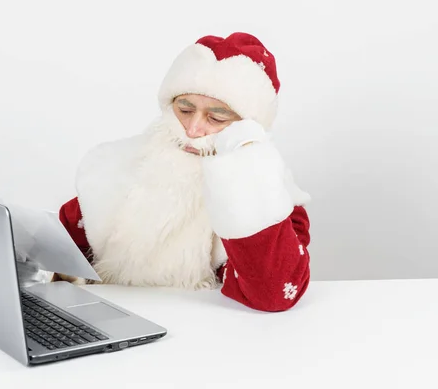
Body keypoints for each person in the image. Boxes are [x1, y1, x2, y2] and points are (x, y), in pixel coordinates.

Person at [54, 32, 311, 312]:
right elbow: (61, 248)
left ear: (248, 126)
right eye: (185, 109)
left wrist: (243, 179)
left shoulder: (275, 200)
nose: (192, 130)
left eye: (217, 118)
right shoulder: (118, 166)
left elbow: (272, 294)